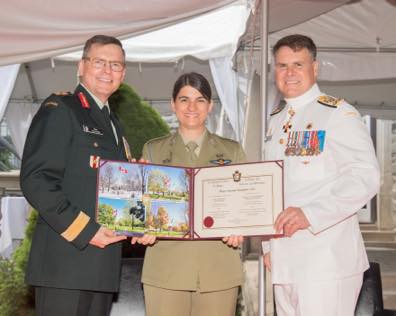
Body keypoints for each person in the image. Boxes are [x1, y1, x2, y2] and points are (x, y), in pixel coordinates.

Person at [20, 34, 153, 316]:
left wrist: (138, 182)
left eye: (116, 65)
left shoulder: (112, 123)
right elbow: (36, 180)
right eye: (99, 62)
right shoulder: (61, 109)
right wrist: (87, 230)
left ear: (124, 73)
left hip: (101, 268)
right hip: (65, 264)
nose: (108, 71)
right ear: (81, 66)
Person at [263, 34, 380, 315]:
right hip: (283, 260)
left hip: (326, 259)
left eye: (297, 65)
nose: (289, 73)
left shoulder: (338, 114)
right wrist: (267, 245)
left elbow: (366, 176)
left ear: (314, 68)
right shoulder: (275, 121)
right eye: (281, 66)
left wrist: (310, 214)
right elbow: (271, 186)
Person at [140, 72, 245, 316]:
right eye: (184, 99)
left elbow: (243, 205)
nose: (191, 107)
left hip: (217, 269)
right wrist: (142, 226)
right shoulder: (153, 150)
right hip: (166, 269)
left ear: (210, 106)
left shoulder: (233, 151)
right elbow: (143, 205)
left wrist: (240, 227)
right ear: (173, 104)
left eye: (200, 100)